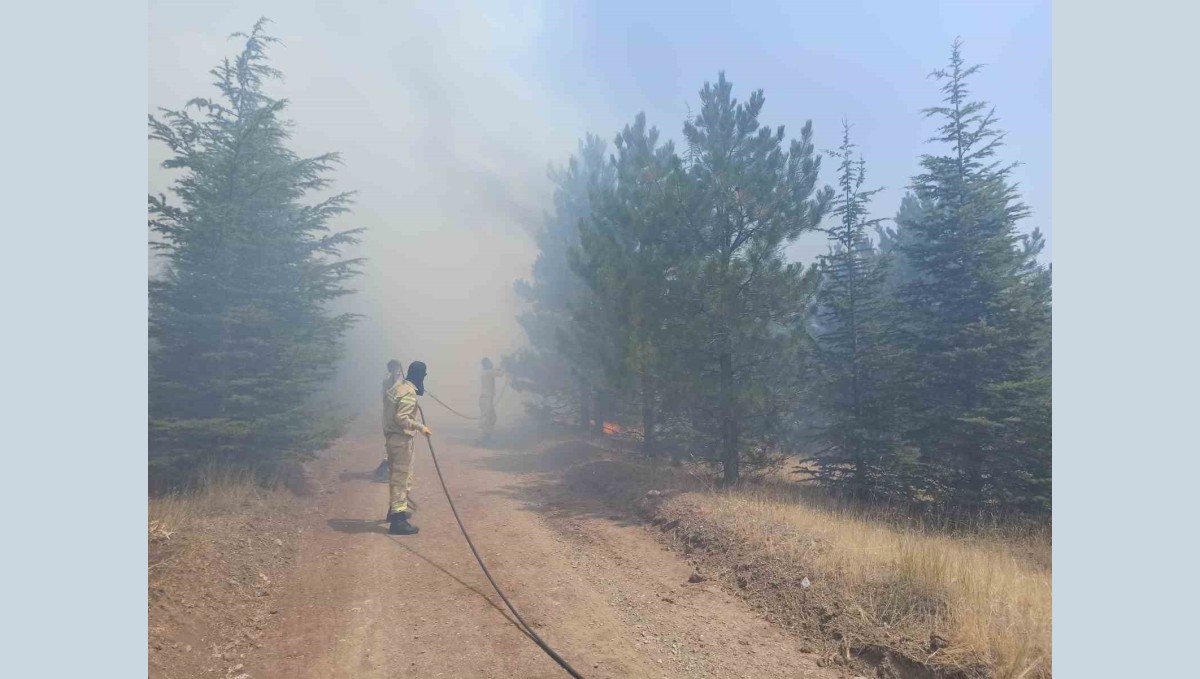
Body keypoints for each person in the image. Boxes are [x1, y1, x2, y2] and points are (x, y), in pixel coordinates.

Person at [383, 360, 432, 535]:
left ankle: (395, 510)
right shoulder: (409, 393)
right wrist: (421, 427)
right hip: (402, 440)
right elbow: (401, 417)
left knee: (395, 476)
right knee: (402, 479)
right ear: (419, 375)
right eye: (424, 375)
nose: (424, 377)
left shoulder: (398, 388)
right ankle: (398, 520)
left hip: (391, 439)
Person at [374, 360, 404, 482]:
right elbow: (390, 396)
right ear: (390, 369)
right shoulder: (387, 382)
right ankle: (385, 469)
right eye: (393, 368)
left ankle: (387, 468)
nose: (395, 370)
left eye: (397, 367)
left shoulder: (402, 381)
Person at [478, 357, 505, 446]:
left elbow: (496, 370)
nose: (491, 363)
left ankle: (487, 437)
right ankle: (484, 438)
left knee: (491, 418)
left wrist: (502, 365)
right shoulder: (488, 372)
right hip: (486, 399)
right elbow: (500, 373)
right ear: (486, 364)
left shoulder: (487, 372)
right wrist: (506, 366)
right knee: (488, 418)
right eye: (489, 362)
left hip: (486, 398)